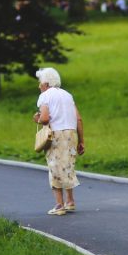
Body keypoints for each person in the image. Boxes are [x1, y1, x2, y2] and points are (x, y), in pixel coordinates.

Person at [33, 68, 85, 216]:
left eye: (40, 83)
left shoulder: (45, 96)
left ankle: (59, 205)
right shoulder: (68, 95)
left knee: (54, 167)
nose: (39, 86)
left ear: (46, 83)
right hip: (71, 134)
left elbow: (44, 119)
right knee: (67, 166)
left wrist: (36, 119)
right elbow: (79, 119)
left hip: (56, 135)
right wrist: (82, 141)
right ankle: (70, 202)